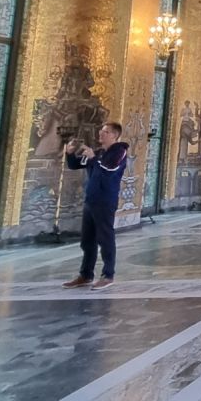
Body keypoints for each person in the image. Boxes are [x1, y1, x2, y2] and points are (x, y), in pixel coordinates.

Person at [62, 122, 129, 289]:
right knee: (87, 240)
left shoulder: (119, 152)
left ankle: (108, 275)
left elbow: (108, 170)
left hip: (105, 200)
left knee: (105, 238)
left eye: (105, 131)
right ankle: (85, 274)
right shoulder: (99, 152)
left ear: (114, 135)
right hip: (91, 200)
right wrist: (69, 154)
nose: (101, 133)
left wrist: (94, 159)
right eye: (101, 130)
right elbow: (76, 165)